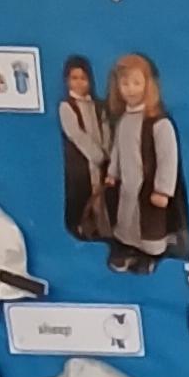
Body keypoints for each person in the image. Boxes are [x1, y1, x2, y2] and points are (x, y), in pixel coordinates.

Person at [99, 49, 185, 271]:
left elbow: (168, 158)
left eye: (136, 83)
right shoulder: (124, 120)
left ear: (148, 85)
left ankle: (150, 255)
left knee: (150, 224)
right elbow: (118, 149)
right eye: (125, 83)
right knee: (127, 219)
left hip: (149, 187)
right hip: (128, 184)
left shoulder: (159, 123)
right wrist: (113, 172)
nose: (130, 89)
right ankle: (129, 248)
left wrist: (163, 190)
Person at [57, 52, 107, 241]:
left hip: (101, 163)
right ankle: (82, 229)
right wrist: (97, 155)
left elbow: (105, 131)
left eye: (83, 78)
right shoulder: (67, 106)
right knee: (82, 197)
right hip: (81, 164)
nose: (79, 83)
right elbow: (76, 134)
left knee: (101, 197)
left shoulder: (97, 106)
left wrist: (106, 153)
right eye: (74, 78)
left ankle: (102, 229)